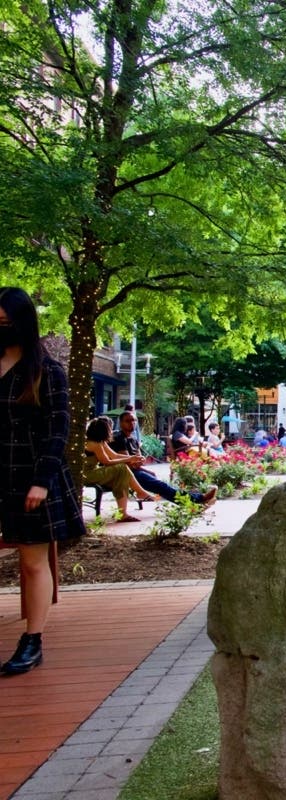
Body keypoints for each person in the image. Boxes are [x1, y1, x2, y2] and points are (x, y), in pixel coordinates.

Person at [0, 287, 88, 675]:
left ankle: (32, 640)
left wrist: (43, 480)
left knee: (33, 562)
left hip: (32, 477)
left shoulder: (47, 371)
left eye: (6, 322)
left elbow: (59, 429)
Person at [112, 411, 217, 507]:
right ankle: (198, 500)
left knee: (163, 485)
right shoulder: (119, 438)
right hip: (127, 474)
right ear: (121, 423)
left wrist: (141, 465)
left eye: (134, 420)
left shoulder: (133, 439)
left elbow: (138, 461)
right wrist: (138, 463)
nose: (132, 423)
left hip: (135, 471)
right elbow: (129, 463)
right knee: (161, 486)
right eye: (127, 421)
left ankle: (195, 499)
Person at [84, 416, 159, 520]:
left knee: (122, 477)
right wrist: (129, 459)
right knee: (122, 468)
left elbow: (115, 455)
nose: (111, 431)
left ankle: (123, 513)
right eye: (110, 428)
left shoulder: (101, 442)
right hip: (87, 475)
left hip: (94, 473)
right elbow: (107, 462)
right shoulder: (94, 444)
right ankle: (140, 493)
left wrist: (133, 458)